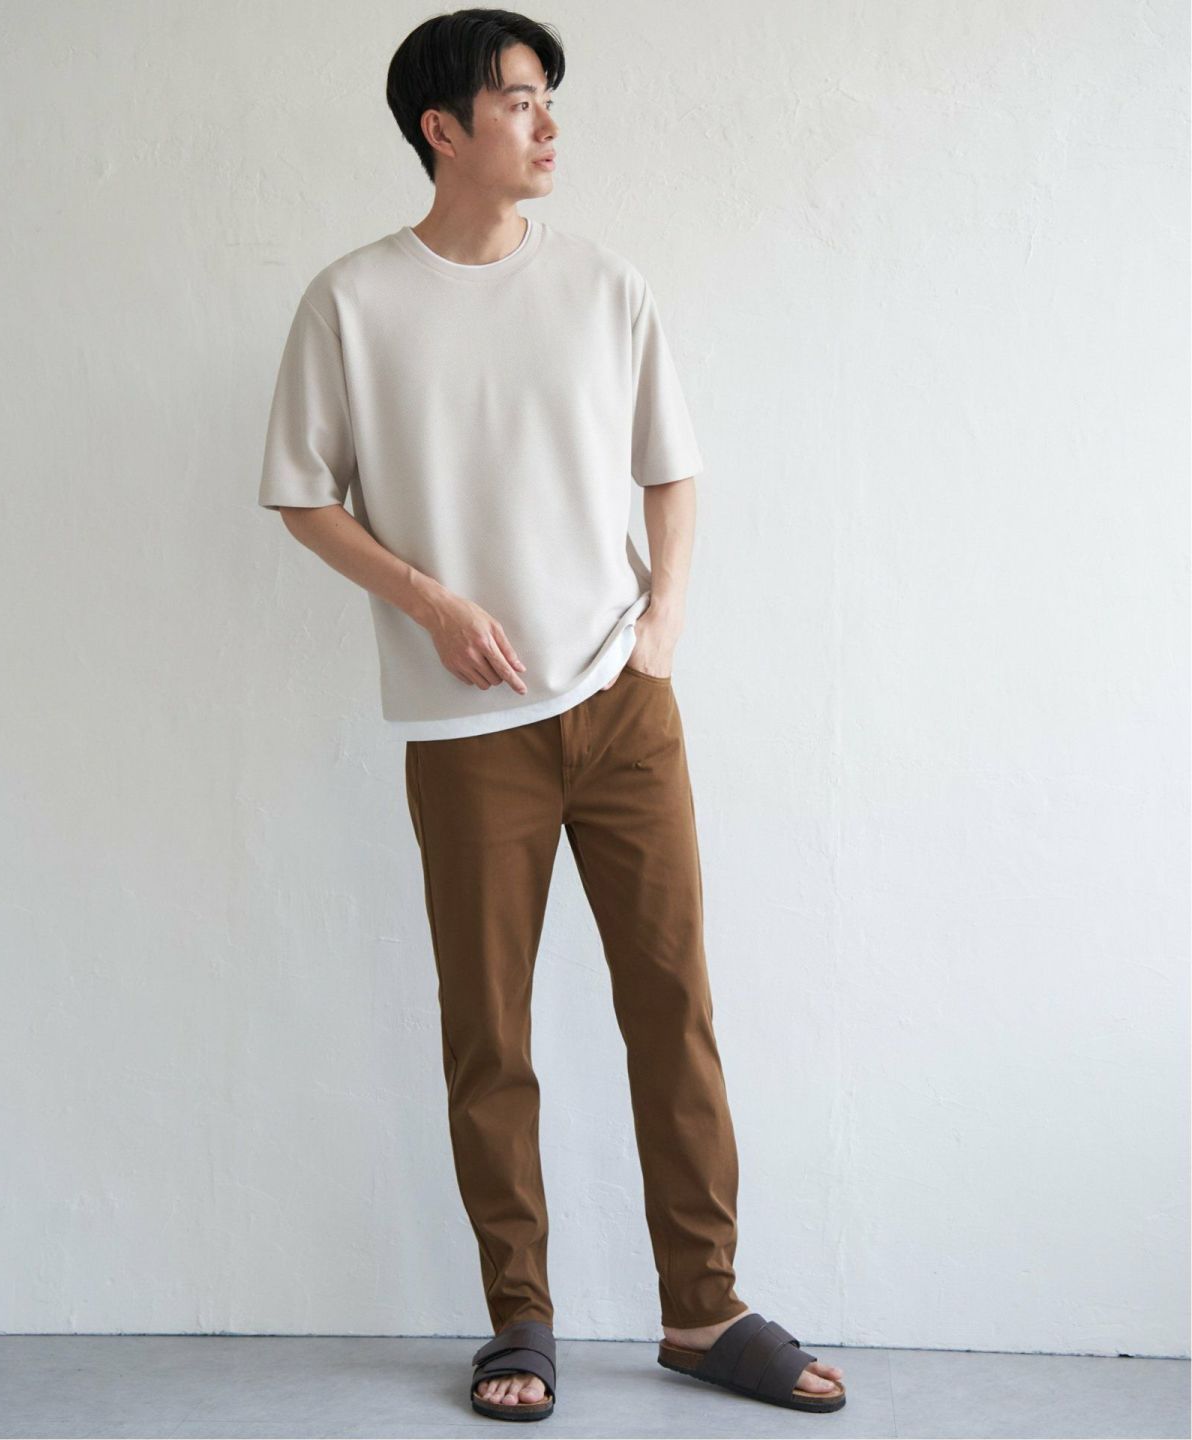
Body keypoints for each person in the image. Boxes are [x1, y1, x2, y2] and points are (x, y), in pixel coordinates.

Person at [257, 6, 845, 1422]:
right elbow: (302, 496)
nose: (548, 124)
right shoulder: (352, 301)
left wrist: (663, 629)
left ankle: (704, 1310)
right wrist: (431, 602)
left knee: (674, 1005)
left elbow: (672, 469)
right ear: (441, 129)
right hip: (469, 733)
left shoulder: (603, 286)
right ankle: (518, 1317)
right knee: (490, 1031)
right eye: (519, 100)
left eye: (546, 98)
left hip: (624, 706)